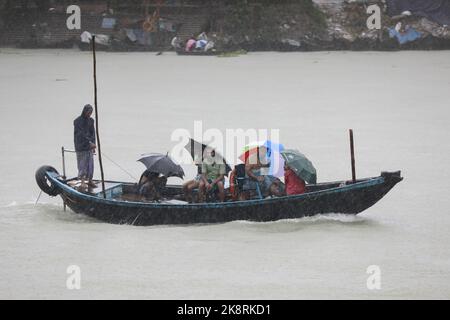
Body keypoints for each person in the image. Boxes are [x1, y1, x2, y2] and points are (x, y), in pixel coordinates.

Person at [74, 104, 96, 189]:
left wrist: (93, 143)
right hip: (81, 146)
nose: (89, 114)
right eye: (88, 112)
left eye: (91, 112)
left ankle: (90, 180)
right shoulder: (77, 121)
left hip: (89, 146)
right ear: (84, 111)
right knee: (82, 164)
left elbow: (93, 133)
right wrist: (88, 142)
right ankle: (82, 181)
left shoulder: (91, 121)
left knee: (90, 164)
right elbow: (80, 134)